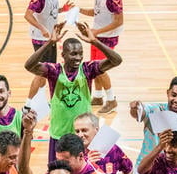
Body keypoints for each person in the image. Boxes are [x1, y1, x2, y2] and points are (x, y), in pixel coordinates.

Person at [25, 20, 122, 160]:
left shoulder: (87, 70)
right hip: (59, 135)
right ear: (63, 55)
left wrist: (94, 41)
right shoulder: (55, 71)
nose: (78, 58)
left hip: (82, 137)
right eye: (73, 54)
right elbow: (29, 66)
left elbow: (116, 60)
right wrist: (49, 43)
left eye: (80, 54)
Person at [81, 0, 123, 114]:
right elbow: (97, 12)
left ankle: (111, 100)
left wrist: (97, 33)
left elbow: (119, 21)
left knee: (100, 69)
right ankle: (98, 96)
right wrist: (79, 10)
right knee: (94, 67)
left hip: (106, 38)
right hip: (97, 36)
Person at [24, 0, 70, 99]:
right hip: (40, 40)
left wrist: (63, 10)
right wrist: (42, 28)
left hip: (51, 39)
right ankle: (28, 103)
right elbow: (27, 15)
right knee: (41, 73)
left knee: (50, 72)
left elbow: (51, 12)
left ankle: (45, 101)